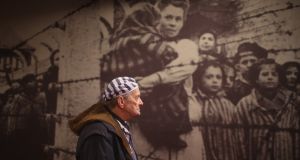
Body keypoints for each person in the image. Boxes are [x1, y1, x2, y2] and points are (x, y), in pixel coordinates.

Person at [234, 59, 299, 160]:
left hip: (285, 153)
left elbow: (296, 135)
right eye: (264, 74)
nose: (270, 77)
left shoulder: (290, 103)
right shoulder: (245, 104)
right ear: (256, 79)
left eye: (274, 74)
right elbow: (240, 137)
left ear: (279, 79)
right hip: (258, 154)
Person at [69, 77, 143, 160]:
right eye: (137, 97)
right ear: (121, 101)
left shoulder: (118, 126)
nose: (141, 102)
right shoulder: (99, 134)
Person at [191, 61, 238, 160]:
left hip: (225, 153)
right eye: (209, 77)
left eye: (218, 77)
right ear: (199, 79)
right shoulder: (193, 102)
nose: (215, 81)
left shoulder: (228, 105)